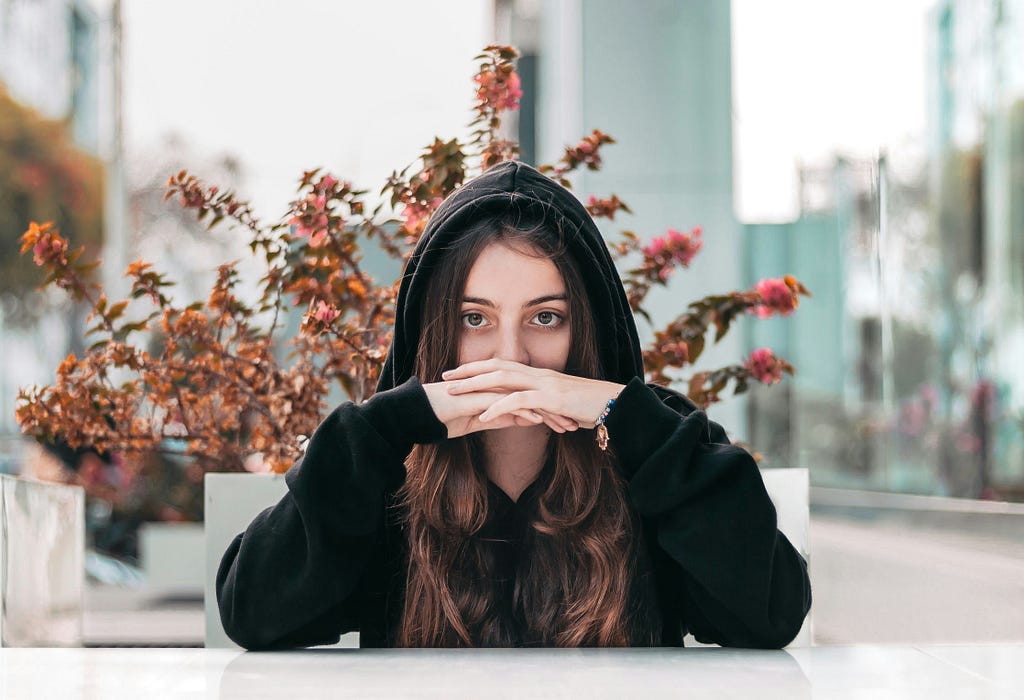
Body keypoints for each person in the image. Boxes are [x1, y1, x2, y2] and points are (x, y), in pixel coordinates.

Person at [216, 160, 811, 649]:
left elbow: (769, 616)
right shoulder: (386, 475)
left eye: (545, 318)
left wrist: (627, 414)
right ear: (437, 328)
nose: (512, 356)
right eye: (475, 319)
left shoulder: (651, 452)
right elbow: (253, 614)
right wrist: (388, 423)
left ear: (590, 330)